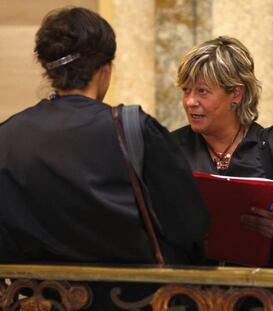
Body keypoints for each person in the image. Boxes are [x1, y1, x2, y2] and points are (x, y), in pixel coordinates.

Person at [0, 7, 209, 310]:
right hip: (132, 302)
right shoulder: (133, 128)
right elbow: (192, 225)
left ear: (49, 70)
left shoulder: (7, 137)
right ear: (105, 70)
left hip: (39, 302)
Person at [172, 36, 273, 265]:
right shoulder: (171, 149)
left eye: (202, 91)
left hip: (265, 296)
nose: (190, 101)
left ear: (236, 94)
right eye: (186, 90)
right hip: (189, 294)